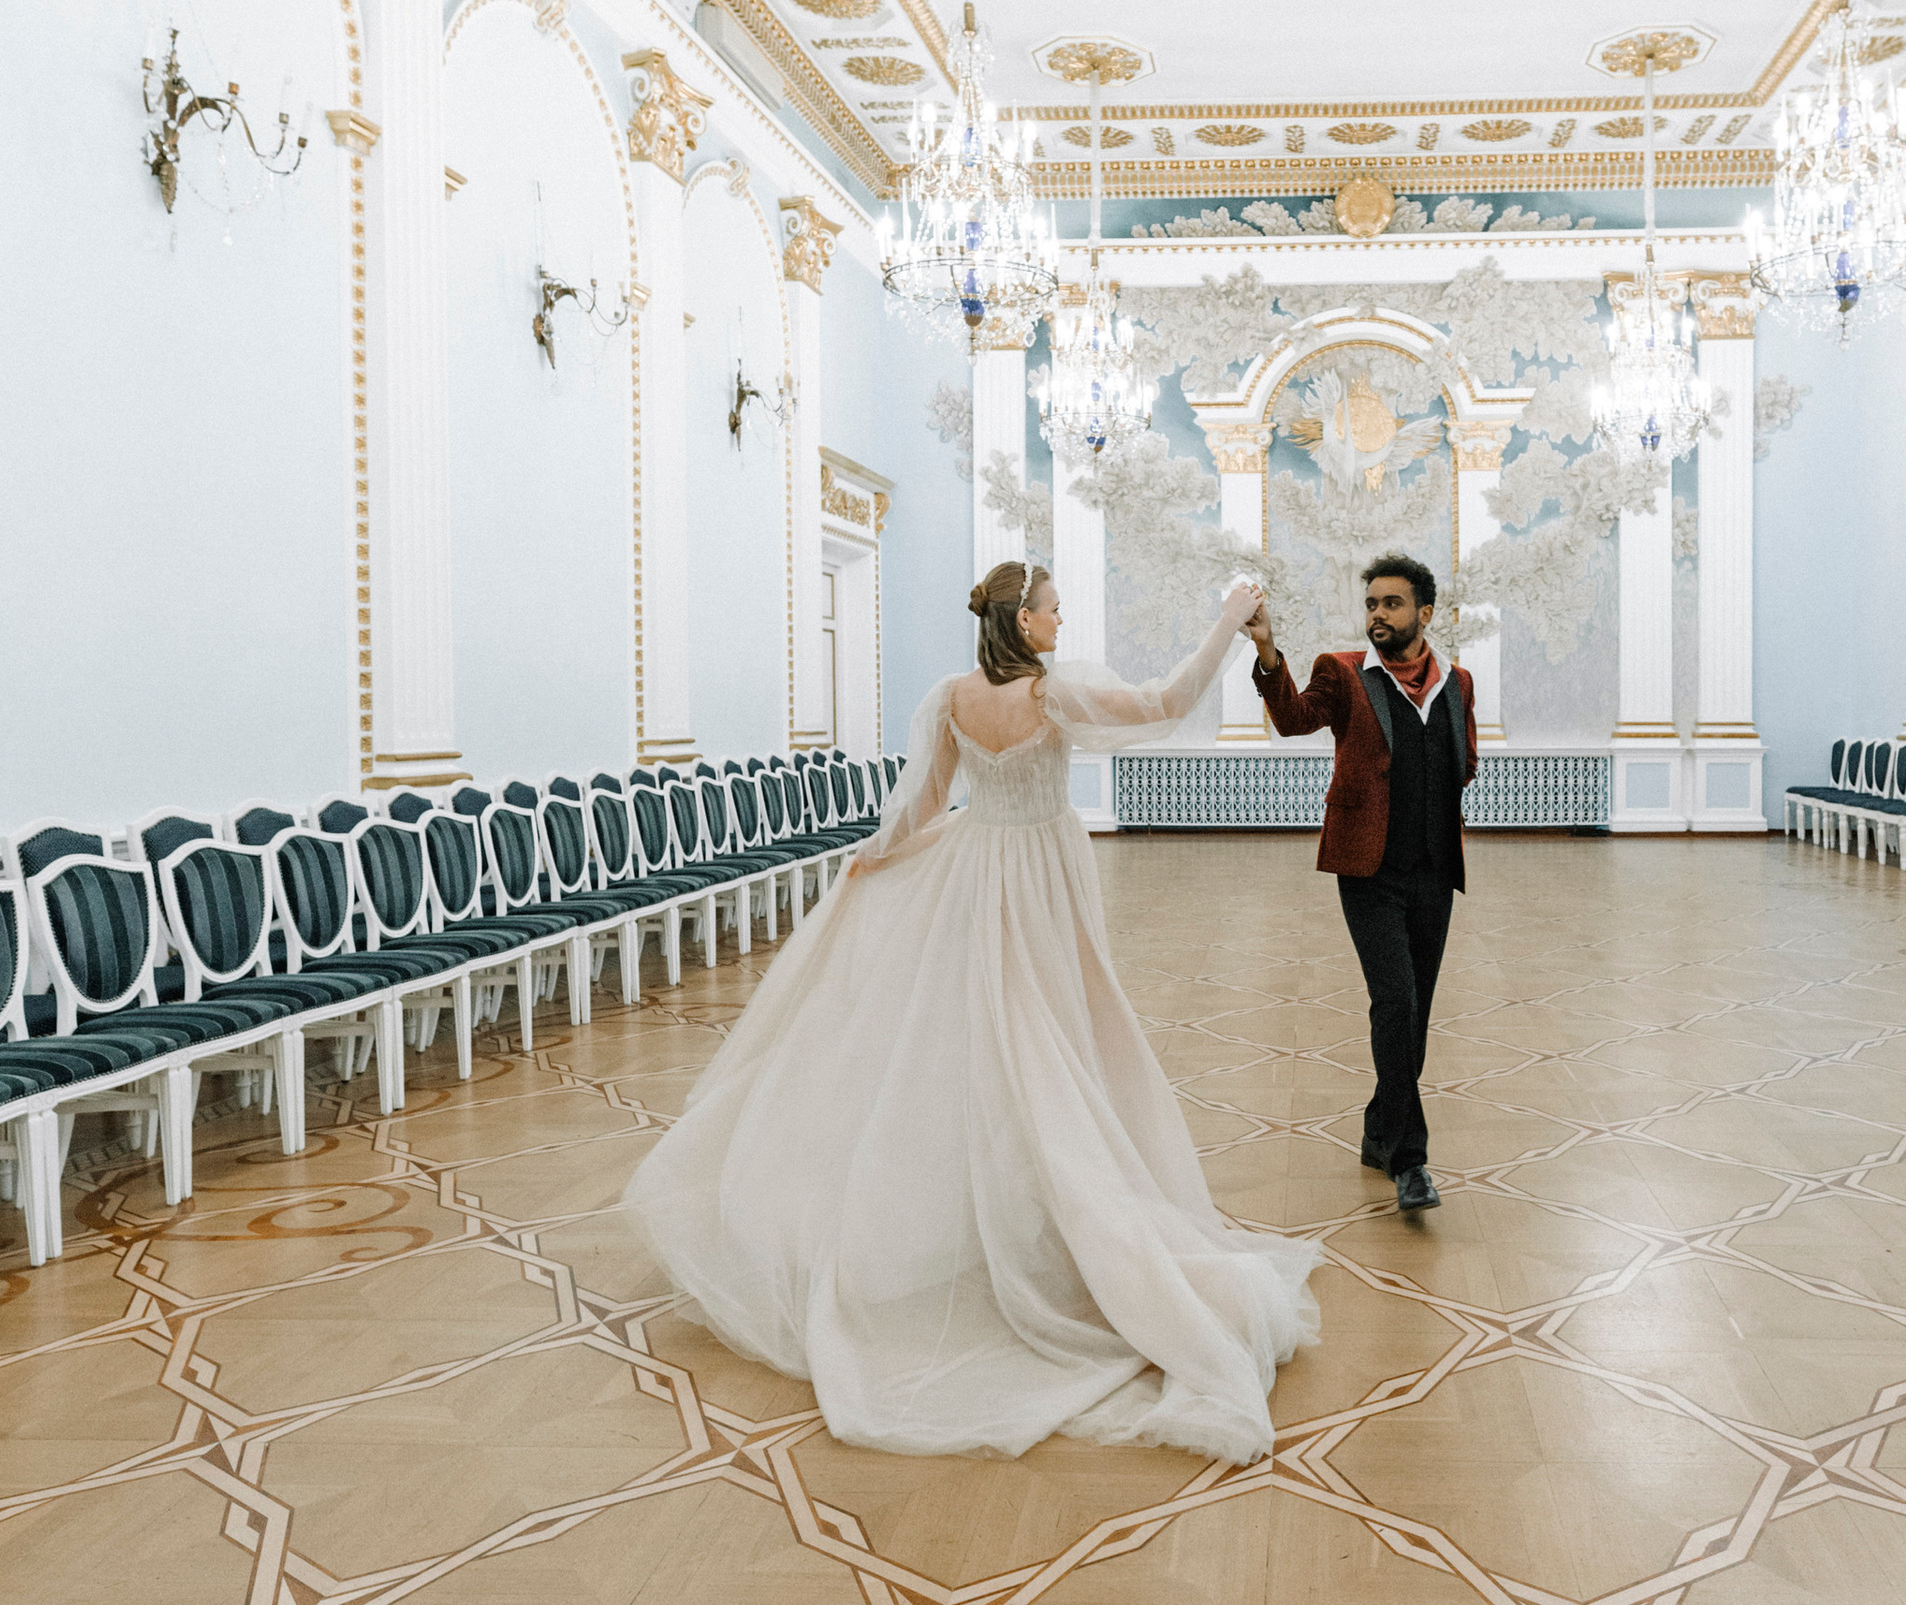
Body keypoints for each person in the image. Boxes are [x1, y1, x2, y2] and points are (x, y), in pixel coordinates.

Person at [624, 563, 1322, 1462]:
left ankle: (1010, 1218)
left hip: (976, 872)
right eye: (1054, 609)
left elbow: (920, 804)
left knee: (993, 1043)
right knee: (1050, 1041)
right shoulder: (1054, 693)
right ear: (1024, 622)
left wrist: (871, 858)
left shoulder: (952, 696)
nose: (1062, 619)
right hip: (1040, 878)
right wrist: (1229, 620)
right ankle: (1055, 1222)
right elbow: (1166, 700)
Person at [1247, 553, 1475, 1215]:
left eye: (1392, 604)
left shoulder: (1456, 683)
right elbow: (1291, 718)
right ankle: (1410, 1162)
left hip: (1434, 872)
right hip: (1368, 869)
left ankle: (1380, 1132)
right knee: (1394, 1002)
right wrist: (1266, 649)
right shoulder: (1343, 673)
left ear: (1424, 615)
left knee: (1416, 1021)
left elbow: (1466, 760)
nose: (1378, 614)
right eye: (1372, 603)